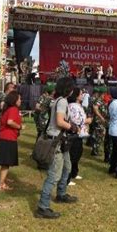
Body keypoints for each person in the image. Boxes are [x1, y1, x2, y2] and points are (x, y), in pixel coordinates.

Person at [36, 77, 79, 219]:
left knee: (67, 167)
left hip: (61, 141)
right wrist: (73, 127)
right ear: (68, 89)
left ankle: (61, 194)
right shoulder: (62, 101)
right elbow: (60, 121)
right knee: (54, 176)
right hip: (56, 142)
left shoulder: (60, 100)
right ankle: (43, 207)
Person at [0, 91, 24, 191]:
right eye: (19, 98)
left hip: (4, 137)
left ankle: (3, 180)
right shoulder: (13, 109)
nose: (20, 100)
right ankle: (0, 184)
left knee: (5, 163)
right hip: (8, 138)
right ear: (14, 100)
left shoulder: (7, 109)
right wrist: (20, 126)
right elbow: (10, 122)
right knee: (6, 162)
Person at [67, 88, 92, 185]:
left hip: (80, 134)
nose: (83, 95)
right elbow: (74, 120)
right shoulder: (73, 106)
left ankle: (74, 172)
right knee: (72, 155)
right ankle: (67, 177)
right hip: (74, 134)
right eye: (81, 94)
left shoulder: (78, 105)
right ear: (76, 95)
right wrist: (87, 121)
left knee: (78, 153)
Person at [0, 82, 16, 156]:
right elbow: (2, 106)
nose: (14, 89)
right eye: (13, 88)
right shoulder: (5, 96)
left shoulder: (6, 96)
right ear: (9, 88)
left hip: (1, 118)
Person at [91, 87, 108, 157]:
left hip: (100, 121)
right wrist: (101, 117)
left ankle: (96, 150)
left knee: (99, 136)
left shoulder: (101, 100)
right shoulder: (98, 100)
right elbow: (95, 108)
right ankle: (95, 151)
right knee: (98, 136)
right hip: (99, 121)